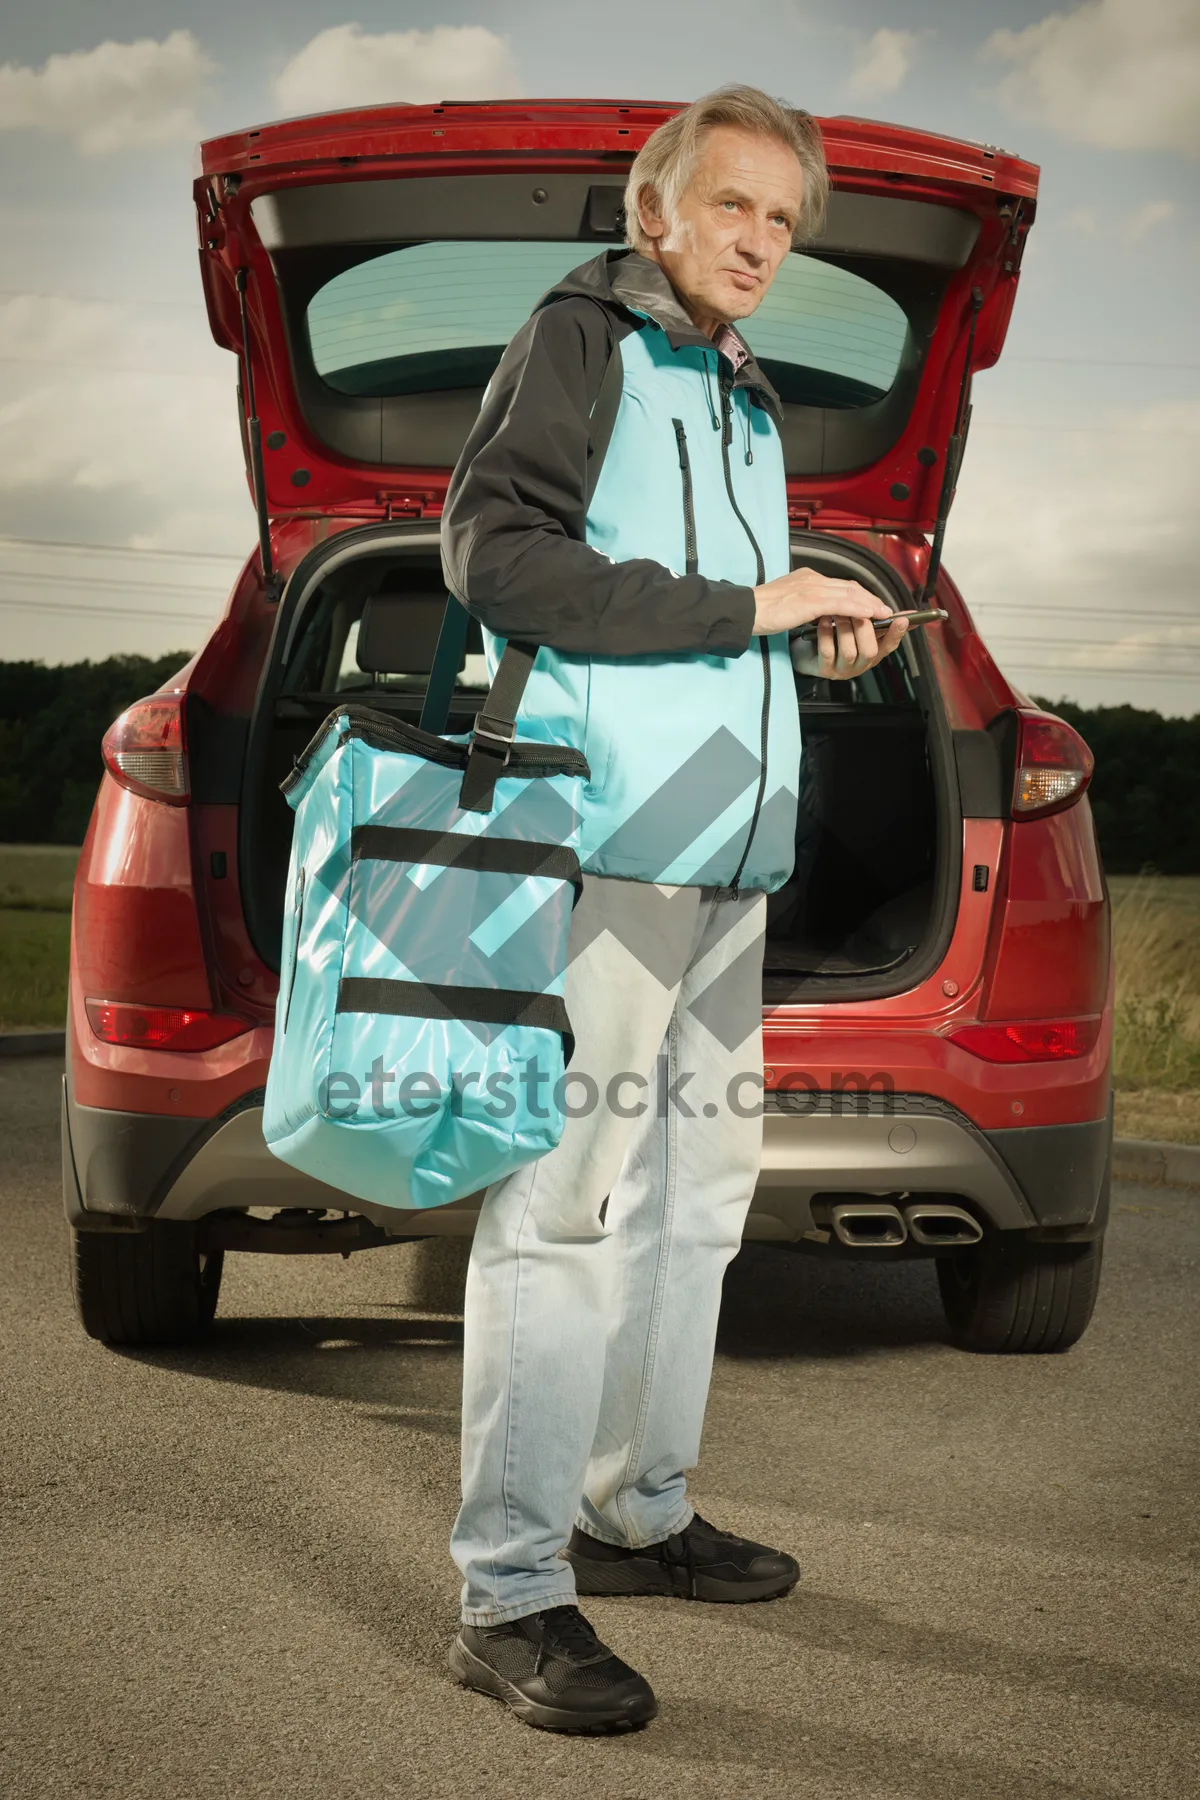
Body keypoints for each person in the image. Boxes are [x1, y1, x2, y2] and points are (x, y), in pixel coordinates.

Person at [438, 84, 909, 1734]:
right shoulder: (584, 341)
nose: (763, 244)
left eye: (786, 219)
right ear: (657, 215)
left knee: (699, 1204)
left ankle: (630, 1511)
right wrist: (747, 603)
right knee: (563, 1210)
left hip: (731, 862)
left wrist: (814, 628)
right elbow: (493, 555)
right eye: (736, 208)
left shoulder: (746, 395)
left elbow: (723, 618)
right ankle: (509, 1591)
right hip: (610, 846)